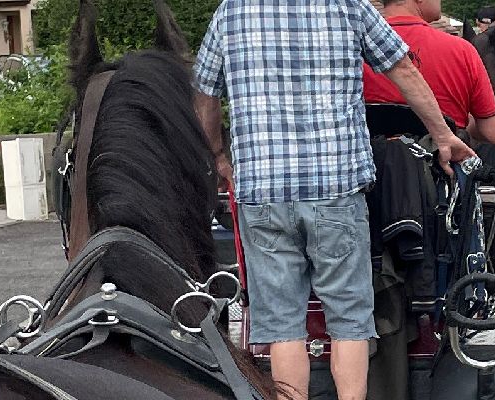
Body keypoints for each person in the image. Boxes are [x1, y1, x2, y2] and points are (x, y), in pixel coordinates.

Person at [191, 0, 476, 399]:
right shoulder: (349, 6)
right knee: (349, 320)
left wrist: (218, 154)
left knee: (282, 326)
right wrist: (443, 137)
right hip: (335, 190)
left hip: (263, 191)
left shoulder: (232, 10)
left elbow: (204, 91)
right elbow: (403, 69)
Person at [362, 0, 495, 147]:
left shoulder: (356, 51)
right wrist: (463, 123)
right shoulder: (462, 51)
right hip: (442, 164)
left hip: (367, 163)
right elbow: (494, 133)